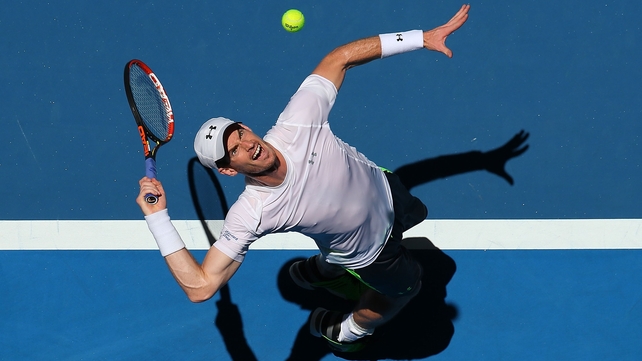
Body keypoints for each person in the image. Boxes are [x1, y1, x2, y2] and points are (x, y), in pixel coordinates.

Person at [137, 4, 470, 352]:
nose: (248, 145)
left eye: (241, 134)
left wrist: (422, 37)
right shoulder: (253, 213)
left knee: (424, 232)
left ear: (247, 127)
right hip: (371, 256)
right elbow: (201, 287)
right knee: (406, 290)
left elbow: (339, 58)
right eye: (233, 150)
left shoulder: (298, 121)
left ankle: (319, 273)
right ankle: (347, 332)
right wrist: (158, 218)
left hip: (386, 189)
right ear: (227, 169)